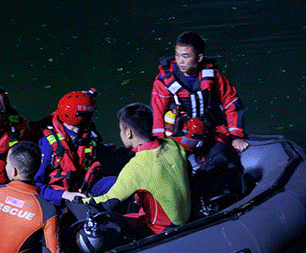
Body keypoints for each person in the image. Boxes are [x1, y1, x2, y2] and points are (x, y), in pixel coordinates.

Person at [150, 31, 247, 205]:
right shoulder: (164, 81)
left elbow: (231, 103)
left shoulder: (214, 77)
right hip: (178, 135)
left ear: (199, 57)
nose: (180, 61)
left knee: (220, 161)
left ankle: (220, 194)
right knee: (173, 170)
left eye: (186, 56)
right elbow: (157, 112)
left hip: (211, 130)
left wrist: (236, 136)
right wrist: (157, 143)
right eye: (177, 55)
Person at [84, 102, 191, 235]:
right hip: (186, 214)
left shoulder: (137, 166)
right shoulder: (172, 144)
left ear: (128, 133)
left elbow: (109, 201)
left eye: (120, 130)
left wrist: (77, 200)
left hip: (162, 228)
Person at [34, 89, 114, 204]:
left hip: (82, 187)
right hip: (56, 196)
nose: (91, 119)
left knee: (114, 183)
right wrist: (63, 195)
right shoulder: (47, 144)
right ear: (79, 116)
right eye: (89, 116)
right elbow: (35, 185)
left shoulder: (87, 135)